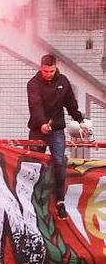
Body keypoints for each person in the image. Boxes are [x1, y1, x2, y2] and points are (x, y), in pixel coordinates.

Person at [27, 54, 91, 220]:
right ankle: (29, 197)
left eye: (51, 71)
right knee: (33, 162)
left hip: (56, 129)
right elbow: (36, 106)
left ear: (56, 68)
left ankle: (60, 201)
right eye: (45, 71)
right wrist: (41, 123)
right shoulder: (33, 84)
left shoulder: (63, 81)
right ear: (40, 68)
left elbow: (70, 104)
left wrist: (80, 120)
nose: (48, 74)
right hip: (37, 129)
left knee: (59, 161)